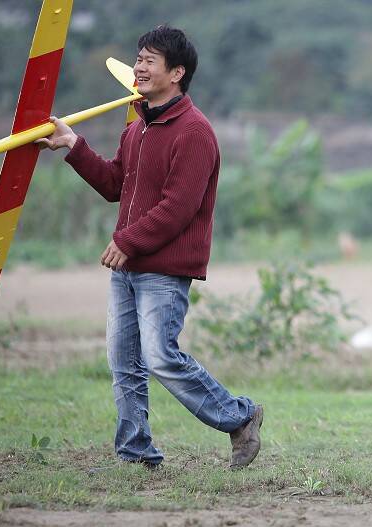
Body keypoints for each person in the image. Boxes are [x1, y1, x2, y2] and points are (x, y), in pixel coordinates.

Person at [37, 26, 263, 469]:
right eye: (138, 58)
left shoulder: (195, 132)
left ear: (177, 73)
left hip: (163, 266)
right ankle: (136, 453)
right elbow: (112, 186)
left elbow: (178, 208)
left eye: (150, 60)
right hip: (128, 266)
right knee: (124, 364)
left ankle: (239, 416)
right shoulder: (136, 128)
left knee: (160, 356)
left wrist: (126, 240)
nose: (138, 67)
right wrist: (73, 145)